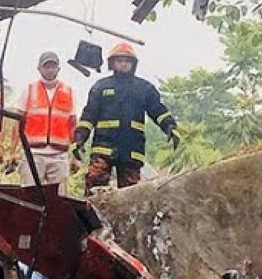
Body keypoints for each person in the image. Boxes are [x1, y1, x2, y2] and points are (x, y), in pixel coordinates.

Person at [73, 43, 178, 190]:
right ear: (112, 63)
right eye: (119, 60)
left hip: (131, 150)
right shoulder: (101, 87)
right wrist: (79, 139)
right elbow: (89, 115)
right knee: (94, 189)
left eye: (127, 60)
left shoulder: (144, 88)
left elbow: (158, 110)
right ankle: (90, 214)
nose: (123, 64)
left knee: (130, 195)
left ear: (133, 64)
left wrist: (170, 126)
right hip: (103, 148)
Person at [15, 51, 76, 187]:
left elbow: (72, 124)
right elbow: (17, 122)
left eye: (53, 66)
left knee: (59, 199)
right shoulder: (29, 89)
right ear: (39, 68)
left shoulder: (68, 91)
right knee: (31, 196)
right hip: (33, 154)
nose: (50, 70)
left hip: (59, 155)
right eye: (46, 66)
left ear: (58, 68)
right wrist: (13, 152)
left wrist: (75, 156)